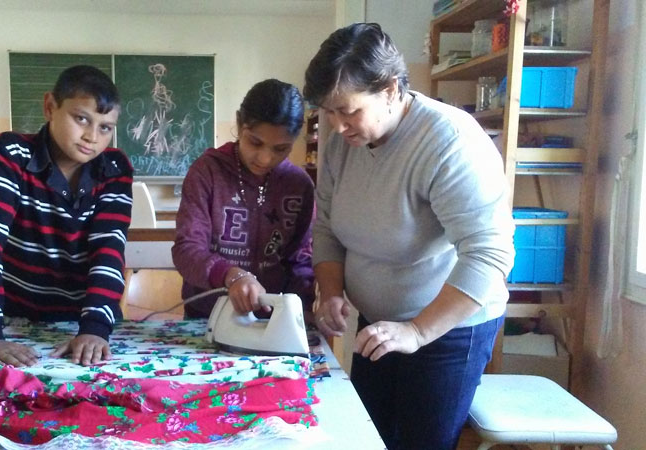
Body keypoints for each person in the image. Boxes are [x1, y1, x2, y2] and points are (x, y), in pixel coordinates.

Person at [304, 23, 515, 450]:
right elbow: (326, 227)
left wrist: (417, 332)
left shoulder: (449, 140)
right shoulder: (344, 140)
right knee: (369, 438)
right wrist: (331, 293)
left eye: (347, 110)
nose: (337, 125)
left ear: (389, 89)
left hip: (448, 330)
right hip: (381, 325)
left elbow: (489, 255)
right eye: (328, 112)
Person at [0, 65, 132, 368]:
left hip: (86, 321)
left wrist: (95, 328)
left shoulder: (114, 170)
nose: (92, 136)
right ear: (50, 106)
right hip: (13, 321)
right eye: (81, 119)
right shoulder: (9, 154)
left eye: (105, 127)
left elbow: (108, 250)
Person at [172, 79, 315, 318]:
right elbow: (187, 249)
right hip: (208, 314)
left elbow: (301, 260)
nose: (265, 158)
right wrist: (230, 275)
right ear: (239, 124)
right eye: (255, 142)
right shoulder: (207, 172)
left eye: (280, 149)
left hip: (274, 317)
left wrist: (303, 309)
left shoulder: (299, 185)